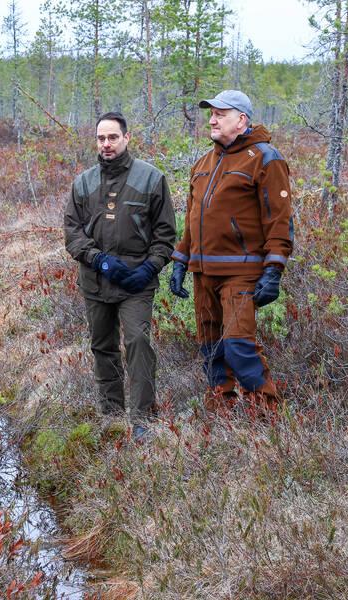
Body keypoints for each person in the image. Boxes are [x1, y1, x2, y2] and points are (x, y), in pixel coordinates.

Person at [168, 90, 293, 409]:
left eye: (220, 115)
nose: (212, 120)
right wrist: (181, 260)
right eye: (211, 114)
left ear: (241, 120)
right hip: (202, 272)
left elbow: (279, 220)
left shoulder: (266, 158)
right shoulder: (203, 163)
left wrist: (274, 271)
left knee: (238, 346)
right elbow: (193, 218)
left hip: (241, 272)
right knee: (211, 348)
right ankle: (222, 412)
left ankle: (267, 414)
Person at [64, 112, 176, 435]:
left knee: (138, 341)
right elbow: (72, 232)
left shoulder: (151, 179)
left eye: (113, 137)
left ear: (127, 138)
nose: (106, 144)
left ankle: (142, 419)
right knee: (103, 345)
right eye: (101, 138)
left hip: (136, 282)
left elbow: (166, 234)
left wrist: (149, 268)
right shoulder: (83, 183)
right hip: (96, 280)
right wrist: (98, 260)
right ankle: (111, 413)